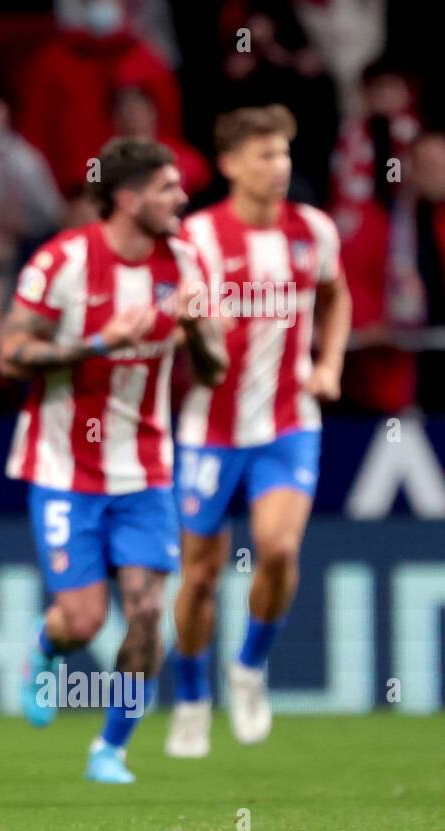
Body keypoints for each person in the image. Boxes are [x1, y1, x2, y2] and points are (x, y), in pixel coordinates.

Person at [0, 137, 227, 784]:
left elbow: (214, 372)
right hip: (64, 467)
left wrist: (198, 330)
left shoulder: (185, 262)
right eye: (167, 188)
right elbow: (10, 354)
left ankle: (110, 748)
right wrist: (99, 341)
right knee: (83, 619)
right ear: (127, 198)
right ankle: (47, 650)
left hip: (146, 468)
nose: (182, 199)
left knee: (150, 612)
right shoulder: (63, 260)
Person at [168, 105, 351, 758]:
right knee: (198, 577)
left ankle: (247, 667)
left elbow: (336, 297)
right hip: (210, 431)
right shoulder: (195, 240)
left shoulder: (313, 231)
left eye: (284, 154)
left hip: (287, 423)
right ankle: (192, 695)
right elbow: (168, 326)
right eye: (264, 156)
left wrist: (328, 363)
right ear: (230, 165)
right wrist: (182, 323)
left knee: (277, 550)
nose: (279, 168)